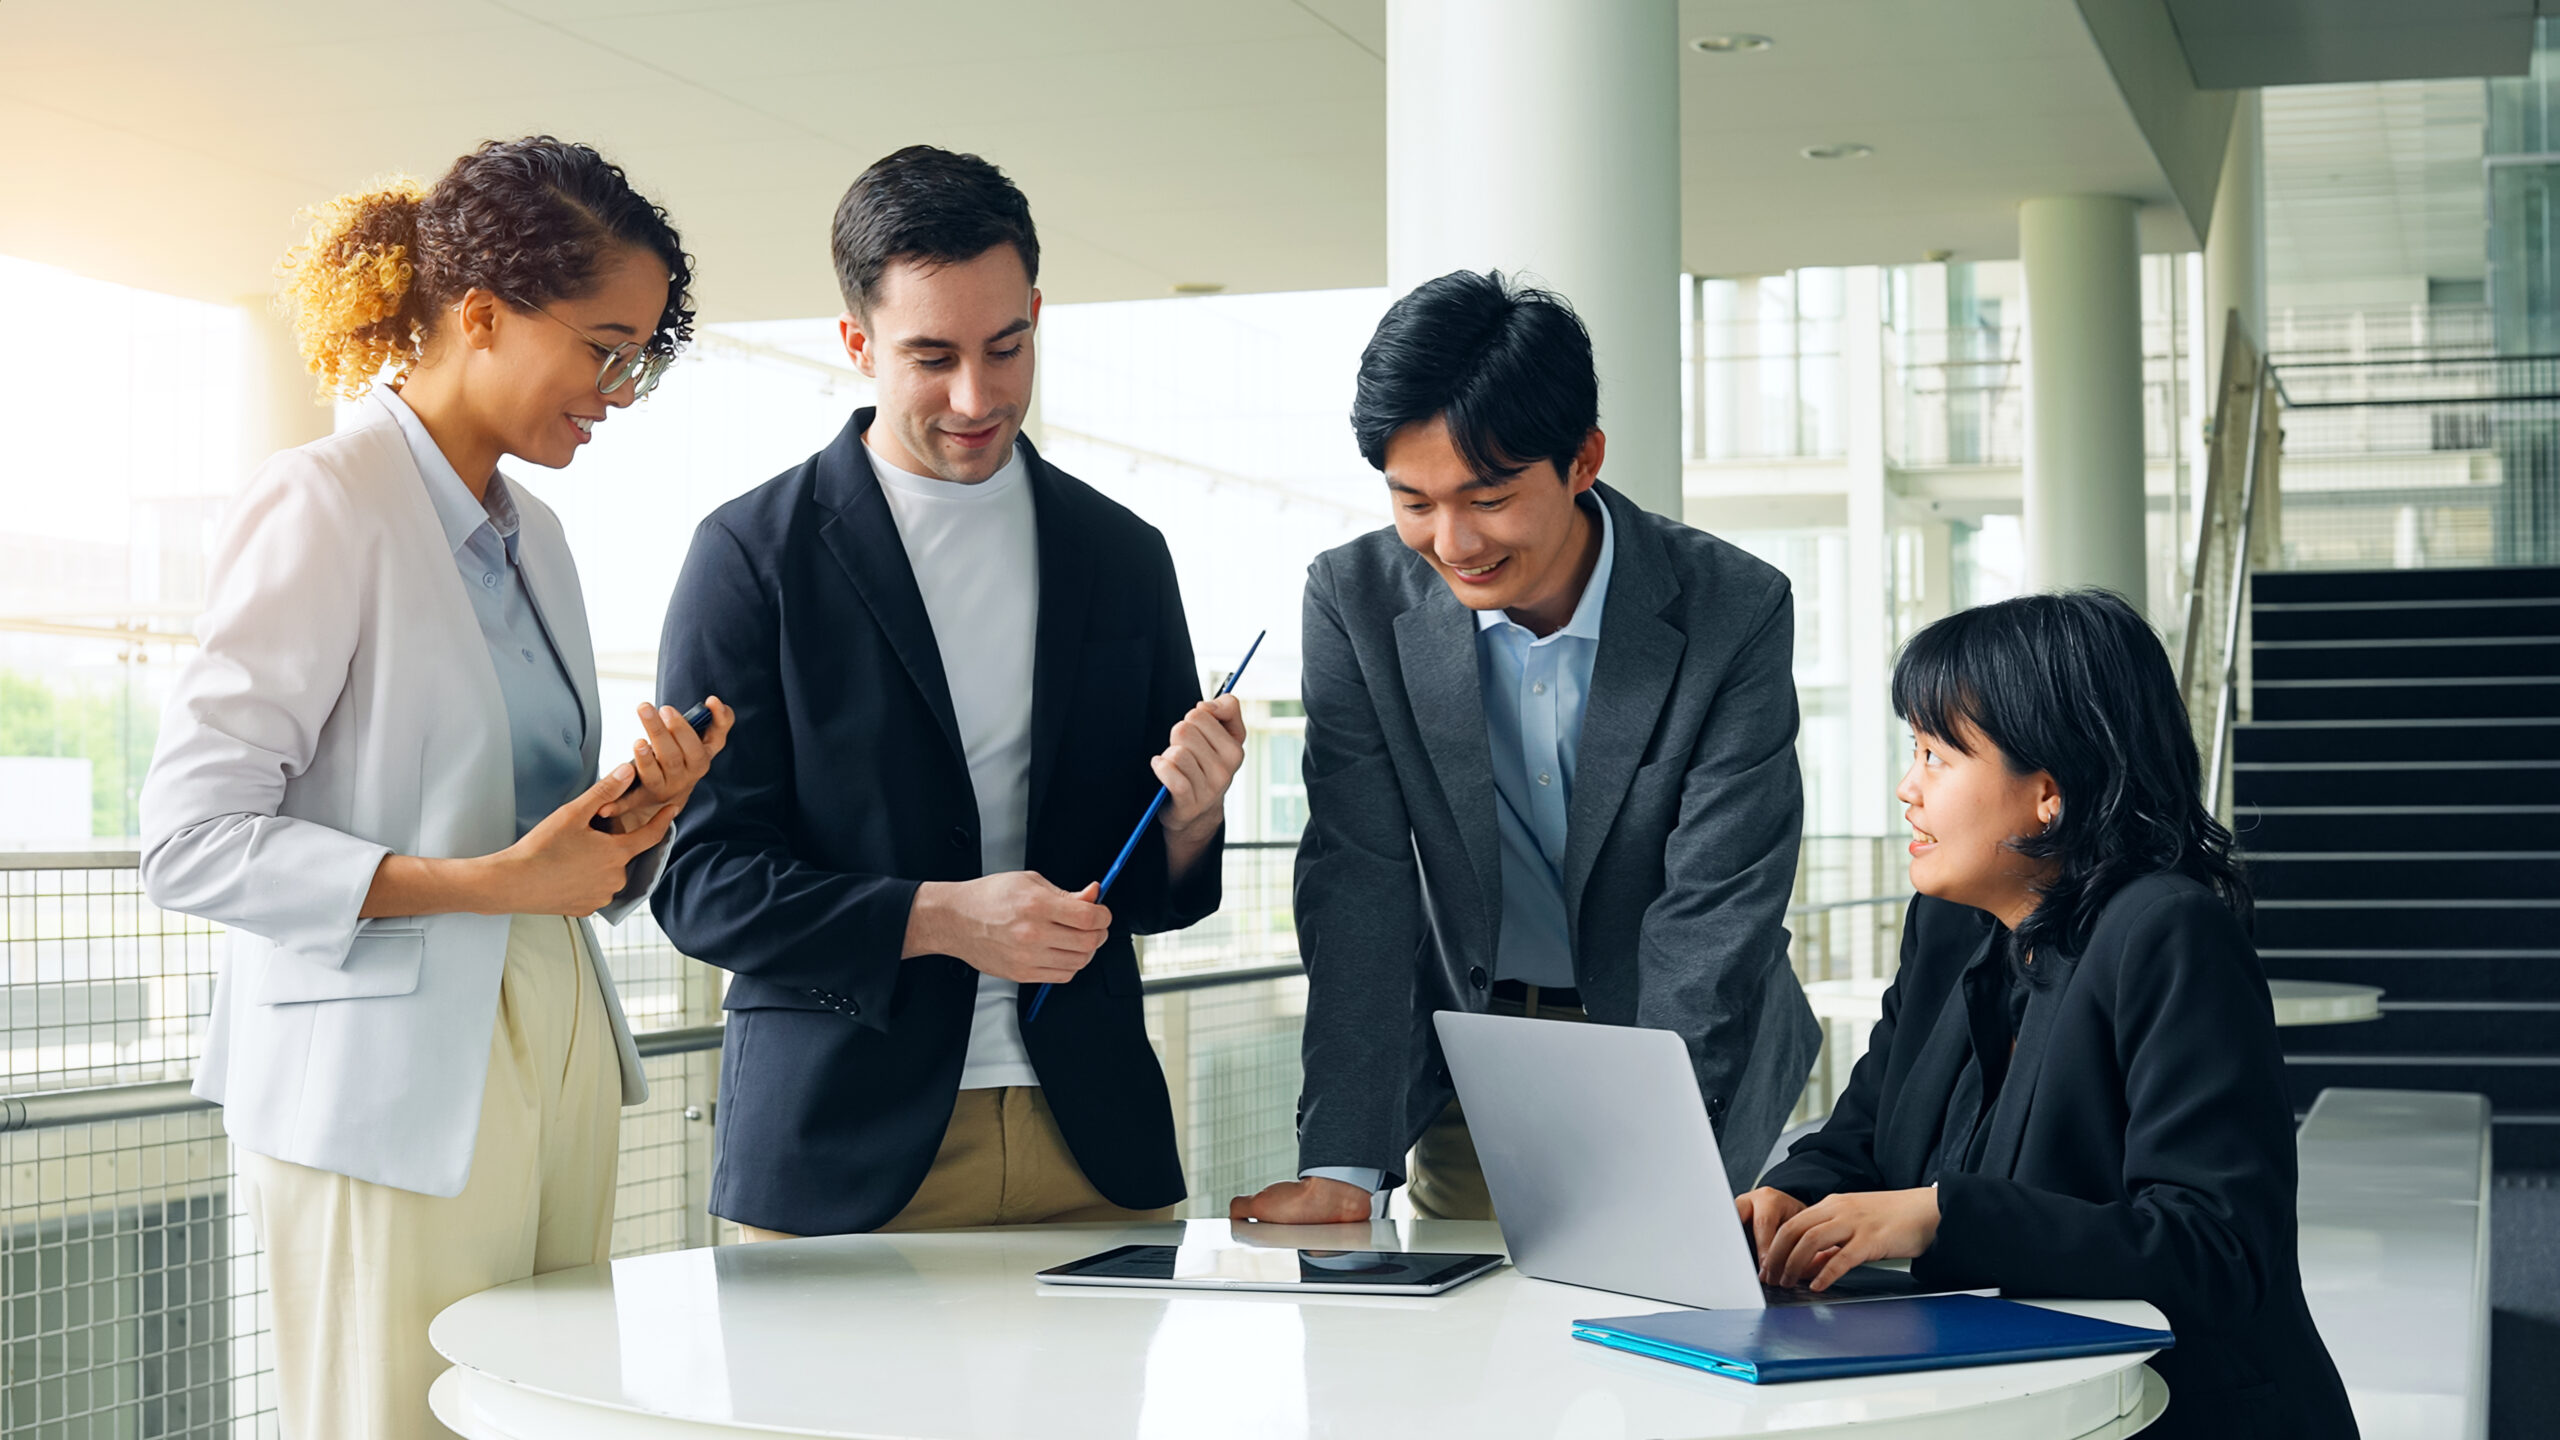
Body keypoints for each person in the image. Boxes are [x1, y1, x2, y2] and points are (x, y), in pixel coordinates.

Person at [139, 137, 732, 1440]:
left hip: (552, 1042)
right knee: (393, 1420)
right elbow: (189, 839)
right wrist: (493, 883)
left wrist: (637, 813)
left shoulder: (544, 541)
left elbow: (521, 830)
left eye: (643, 359)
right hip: (386, 1080)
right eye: (603, 348)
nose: (621, 391)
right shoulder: (324, 504)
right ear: (479, 317)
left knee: (550, 1415)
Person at [652, 145, 1244, 1239]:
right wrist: (938, 920)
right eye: (931, 357)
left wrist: (1192, 817)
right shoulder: (751, 557)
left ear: (1034, 315)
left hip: (1094, 1148)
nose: (977, 397)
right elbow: (703, 886)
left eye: (1005, 347)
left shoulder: (1122, 554)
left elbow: (1160, 897)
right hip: (842, 1154)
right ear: (855, 342)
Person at [1232, 270, 1820, 1225]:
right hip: (1478, 1052)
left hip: (1684, 1055)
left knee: (1665, 1333)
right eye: (1413, 501)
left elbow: (1710, 915)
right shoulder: (1356, 603)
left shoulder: (1734, 611)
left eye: (1489, 498)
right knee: (1471, 1352)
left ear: (1583, 460)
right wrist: (1345, 1160)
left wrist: (1654, 1158)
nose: (1452, 540)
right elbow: (1361, 881)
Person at [1742, 590, 2357, 1439]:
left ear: (2047, 792)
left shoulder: (2168, 931)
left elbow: (2216, 1246)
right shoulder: (1949, 922)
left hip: (2168, 1408)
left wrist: (1938, 1215)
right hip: (1994, 1394)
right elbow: (1867, 1131)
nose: (1905, 787)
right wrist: (1786, 1196)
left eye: (1935, 755)